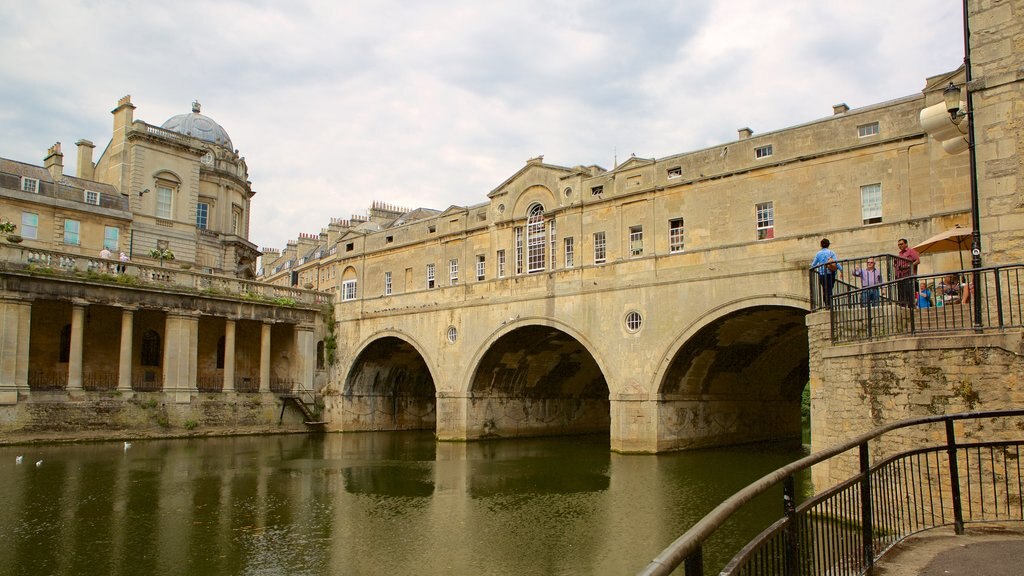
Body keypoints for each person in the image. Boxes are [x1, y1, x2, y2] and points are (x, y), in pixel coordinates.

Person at [810, 238, 841, 309]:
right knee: (830, 288)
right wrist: (841, 270)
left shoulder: (818, 254)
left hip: (822, 274)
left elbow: (813, 264)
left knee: (824, 289)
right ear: (828, 245)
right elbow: (836, 262)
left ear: (821, 245)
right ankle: (829, 303)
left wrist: (811, 267)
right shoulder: (831, 252)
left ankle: (826, 304)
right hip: (830, 273)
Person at [895, 238, 920, 307]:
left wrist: (908, 266)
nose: (900, 246)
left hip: (909, 277)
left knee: (910, 297)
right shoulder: (900, 254)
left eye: (901, 244)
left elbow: (917, 261)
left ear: (906, 244)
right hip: (901, 278)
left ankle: (912, 310)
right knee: (902, 297)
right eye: (899, 245)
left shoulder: (911, 251)